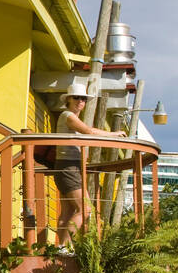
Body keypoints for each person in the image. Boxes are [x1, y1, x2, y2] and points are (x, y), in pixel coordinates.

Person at [53, 93, 124, 247]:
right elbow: (89, 132)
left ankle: (60, 248)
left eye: (83, 99)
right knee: (85, 209)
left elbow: (88, 129)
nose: (81, 101)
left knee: (68, 212)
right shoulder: (68, 116)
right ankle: (64, 247)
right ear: (68, 99)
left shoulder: (72, 118)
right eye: (77, 97)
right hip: (69, 167)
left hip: (65, 167)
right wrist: (113, 134)